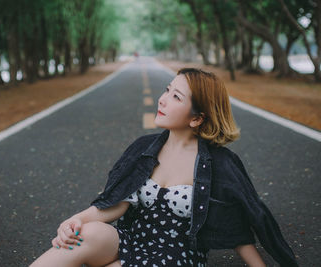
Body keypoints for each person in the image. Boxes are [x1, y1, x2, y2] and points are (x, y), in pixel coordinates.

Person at [30, 68, 298, 267]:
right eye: (167, 90)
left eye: (176, 97)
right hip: (130, 239)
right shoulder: (144, 148)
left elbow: (238, 226)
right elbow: (117, 202)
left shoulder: (220, 163)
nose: (163, 99)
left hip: (176, 257)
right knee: (83, 234)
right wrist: (74, 221)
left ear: (197, 118)